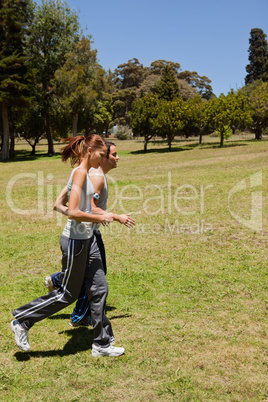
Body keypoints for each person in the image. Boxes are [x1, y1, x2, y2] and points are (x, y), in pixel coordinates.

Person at [11, 135, 125, 357]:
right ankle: (22, 321)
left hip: (88, 239)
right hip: (75, 240)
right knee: (68, 294)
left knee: (100, 288)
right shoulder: (81, 172)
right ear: (90, 150)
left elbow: (61, 206)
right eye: (101, 155)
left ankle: (102, 344)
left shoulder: (87, 173)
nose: (102, 159)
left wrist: (103, 216)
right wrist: (101, 218)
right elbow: (73, 211)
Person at [46, 142, 135, 327]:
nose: (117, 158)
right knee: (94, 277)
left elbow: (60, 203)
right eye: (113, 154)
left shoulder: (88, 173)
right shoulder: (96, 176)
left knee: (92, 276)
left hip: (87, 233)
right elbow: (90, 208)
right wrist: (115, 216)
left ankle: (58, 281)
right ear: (102, 157)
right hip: (88, 234)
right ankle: (77, 314)